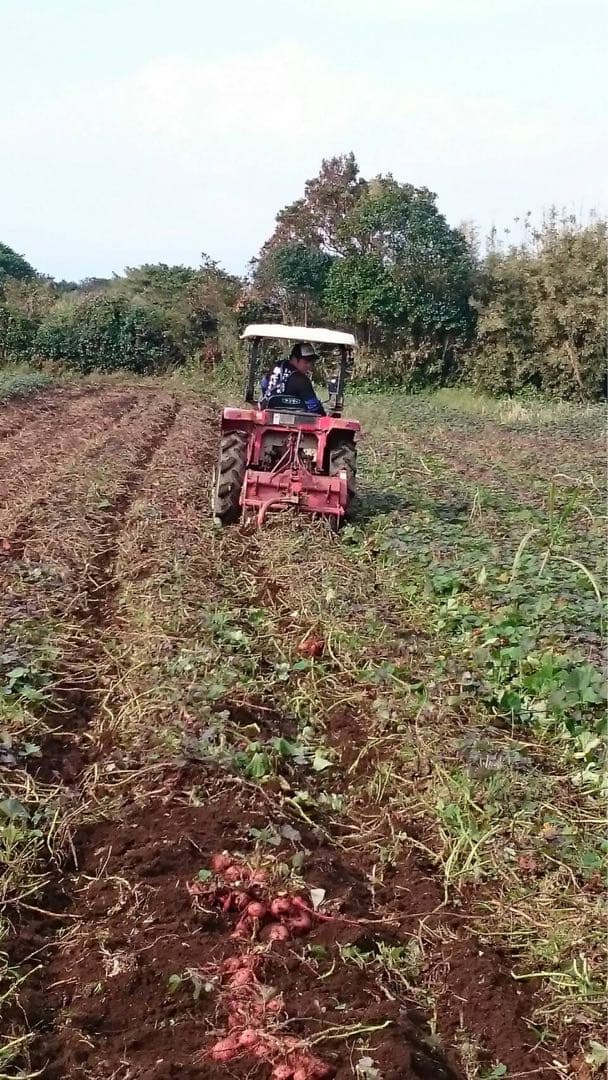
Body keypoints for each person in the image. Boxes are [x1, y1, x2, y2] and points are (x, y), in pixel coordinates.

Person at [263, 342, 326, 416]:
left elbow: (264, 384)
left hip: (268, 413)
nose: (309, 366)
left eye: (311, 362)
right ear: (294, 359)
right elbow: (314, 407)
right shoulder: (301, 380)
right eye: (306, 362)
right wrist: (324, 415)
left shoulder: (276, 367)